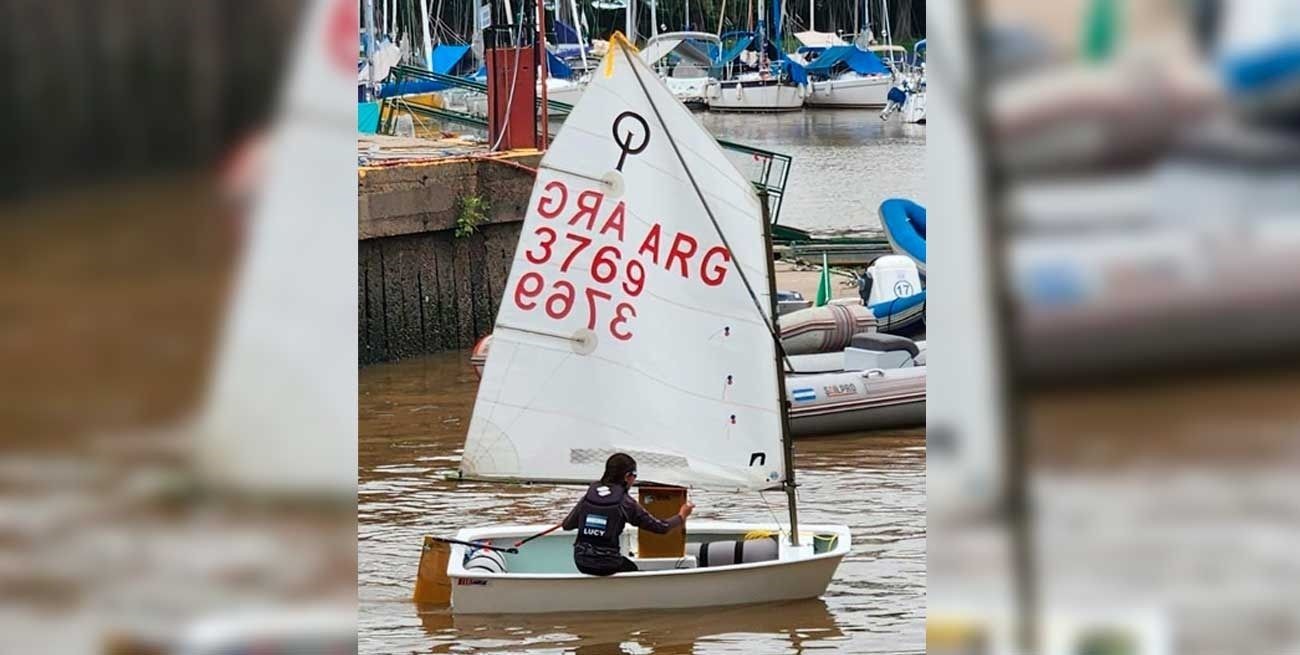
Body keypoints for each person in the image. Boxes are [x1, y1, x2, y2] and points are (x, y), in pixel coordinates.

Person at [562, 453, 694, 576]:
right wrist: (682, 516)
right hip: (607, 563)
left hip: (580, 561)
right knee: (632, 570)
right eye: (634, 475)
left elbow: (567, 525)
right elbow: (661, 527)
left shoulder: (589, 496)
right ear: (627, 476)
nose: (635, 480)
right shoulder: (626, 502)